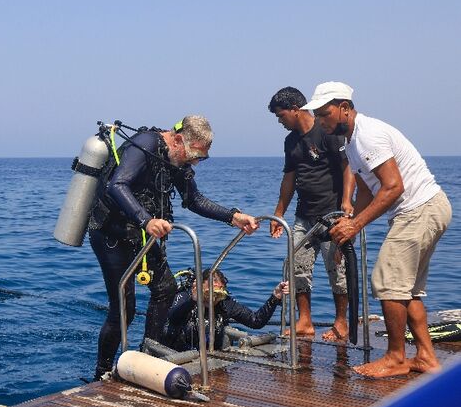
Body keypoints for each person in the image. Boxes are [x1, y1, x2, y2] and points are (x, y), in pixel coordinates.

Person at [88, 115, 259, 380]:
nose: (195, 162)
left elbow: (194, 200)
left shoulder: (177, 160)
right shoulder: (145, 145)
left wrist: (233, 217)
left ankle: (147, 358)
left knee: (166, 289)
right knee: (124, 308)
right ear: (178, 140)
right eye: (195, 155)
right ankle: (101, 373)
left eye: (202, 158)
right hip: (111, 234)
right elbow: (117, 185)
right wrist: (146, 220)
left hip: (142, 235)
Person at [303, 81, 451, 377]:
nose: (319, 121)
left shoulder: (367, 136)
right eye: (316, 115)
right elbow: (366, 192)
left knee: (387, 282)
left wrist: (356, 224)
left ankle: (396, 358)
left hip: (418, 209)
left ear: (344, 108)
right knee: (407, 290)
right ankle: (425, 356)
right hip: (428, 208)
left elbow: (394, 187)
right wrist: (349, 230)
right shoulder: (351, 142)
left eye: (324, 113)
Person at [268, 87, 355, 341]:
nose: (280, 121)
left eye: (281, 116)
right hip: (303, 216)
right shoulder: (290, 141)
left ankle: (341, 322)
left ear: (295, 109)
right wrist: (279, 213)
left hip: (332, 215)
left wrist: (347, 202)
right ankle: (304, 321)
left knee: (337, 271)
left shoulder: (326, 130)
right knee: (296, 267)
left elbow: (348, 167)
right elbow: (289, 179)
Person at [149, 269, 289, 351]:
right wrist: (193, 300)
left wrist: (274, 297)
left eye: (218, 292)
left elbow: (255, 321)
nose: (213, 297)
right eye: (210, 291)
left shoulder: (225, 303)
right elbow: (173, 318)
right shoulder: (185, 297)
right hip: (177, 353)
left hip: (211, 355)